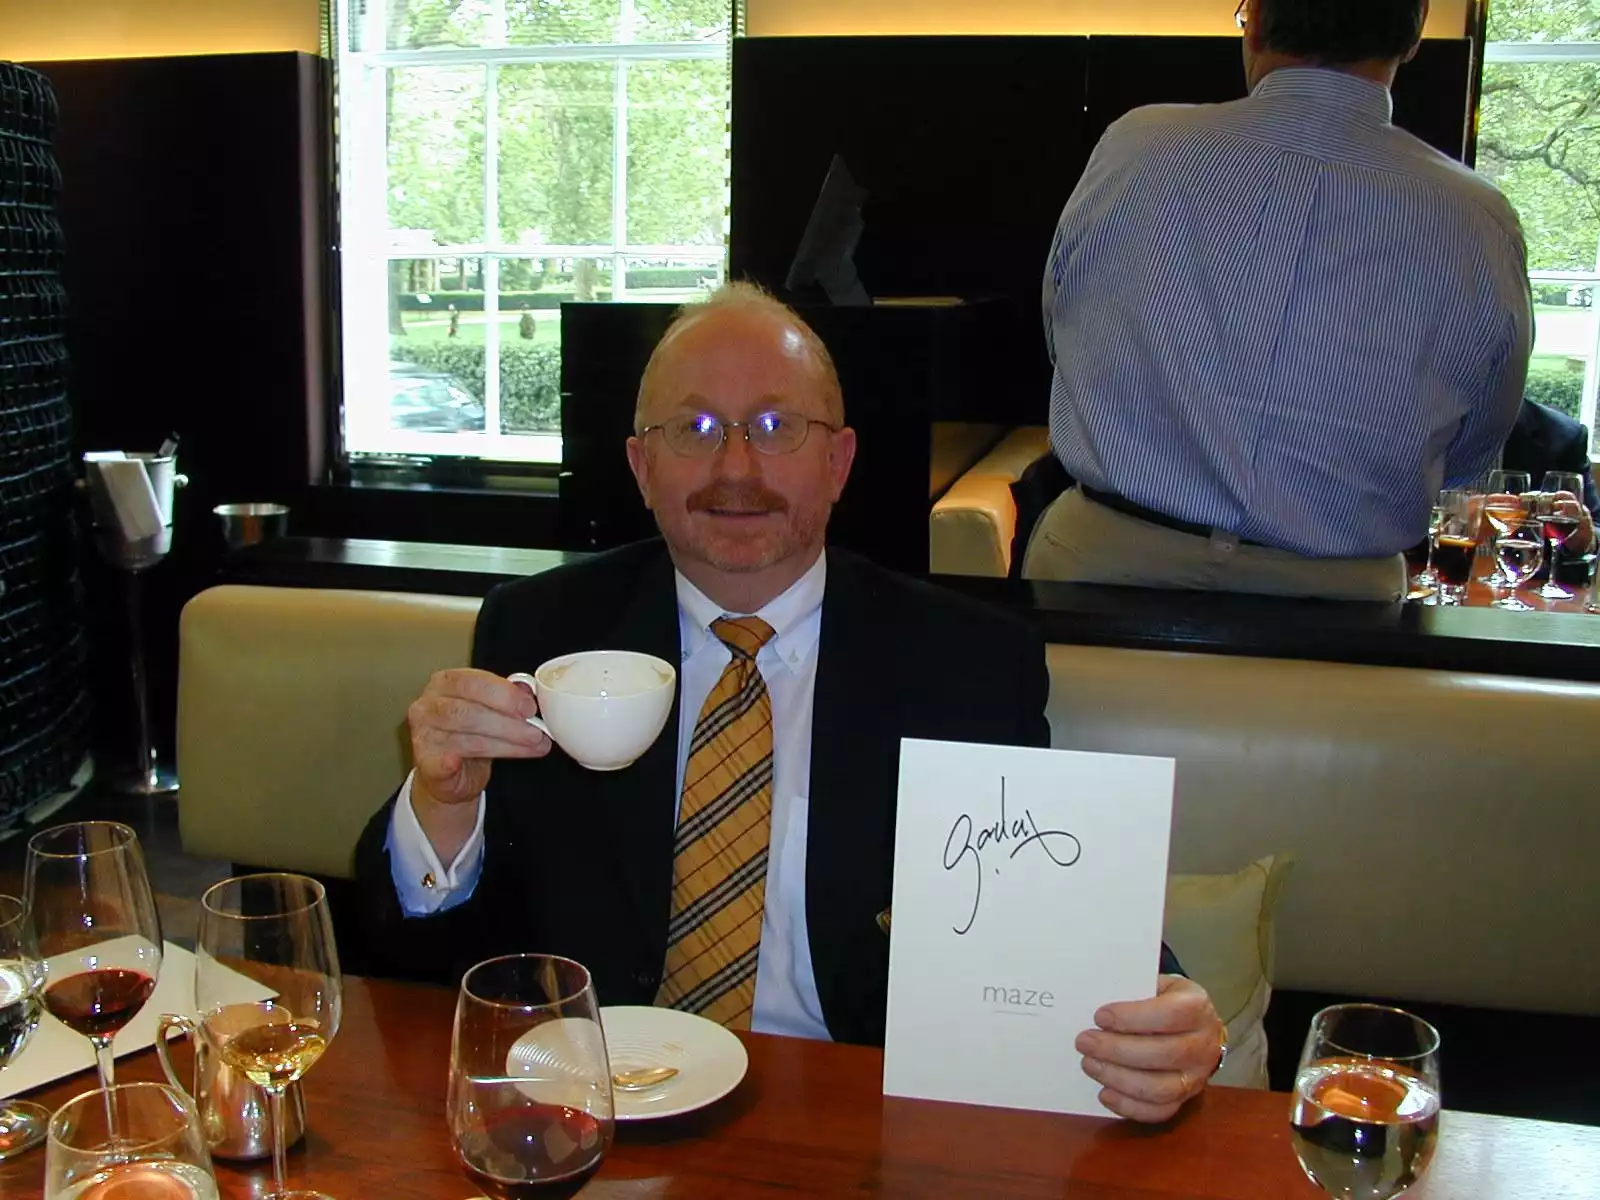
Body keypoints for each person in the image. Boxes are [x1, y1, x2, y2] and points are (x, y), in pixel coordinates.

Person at [353, 283, 1225, 1123]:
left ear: (838, 462)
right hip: (597, 1108)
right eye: (695, 429)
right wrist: (443, 804)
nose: (735, 468)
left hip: (859, 1117)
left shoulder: (966, 664)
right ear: (642, 467)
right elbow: (421, 969)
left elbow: (1046, 898)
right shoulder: (544, 633)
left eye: (775, 427)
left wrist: (1164, 1020)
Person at [1024, 0, 1531, 603]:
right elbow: (1474, 449)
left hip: (1103, 562)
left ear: (1257, 21)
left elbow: (1060, 329)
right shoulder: (1481, 219)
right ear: (1415, 31)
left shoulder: (1136, 145)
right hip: (1340, 599)